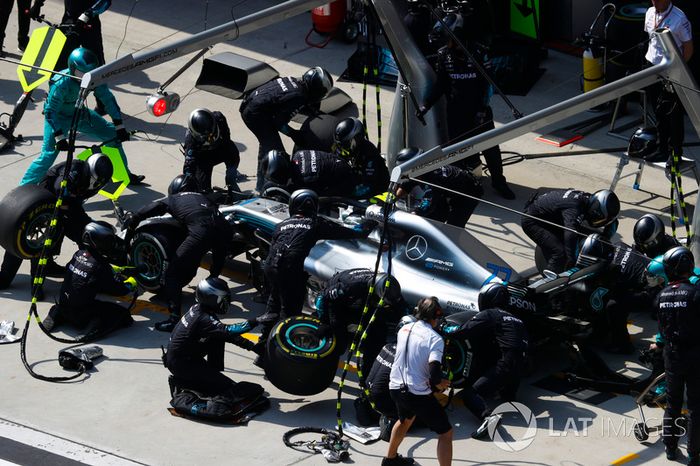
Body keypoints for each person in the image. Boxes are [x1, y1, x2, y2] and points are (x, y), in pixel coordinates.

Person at [254, 189, 374, 365]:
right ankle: (278, 357)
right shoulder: (315, 223)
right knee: (288, 315)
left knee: (273, 307)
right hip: (290, 271)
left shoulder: (282, 224)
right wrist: (367, 226)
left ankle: (261, 349)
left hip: (271, 269)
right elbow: (347, 232)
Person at [20, 47, 143, 186]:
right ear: (72, 68)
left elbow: (108, 100)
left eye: (90, 73)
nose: (86, 77)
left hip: (79, 114)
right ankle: (24, 187)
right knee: (49, 153)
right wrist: (59, 137)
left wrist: (119, 125)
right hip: (58, 118)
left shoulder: (93, 78)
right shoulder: (61, 82)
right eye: (82, 73)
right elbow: (50, 111)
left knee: (112, 135)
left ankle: (122, 175)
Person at [122, 180, 233, 332]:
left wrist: (129, 234)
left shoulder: (172, 200)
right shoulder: (203, 196)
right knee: (217, 261)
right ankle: (212, 293)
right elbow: (220, 197)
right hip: (224, 227)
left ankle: (174, 318)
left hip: (202, 231)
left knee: (172, 273)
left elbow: (143, 212)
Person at [426, 12, 514, 200]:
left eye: (449, 38)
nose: (446, 43)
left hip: (479, 112)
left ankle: (499, 182)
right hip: (456, 113)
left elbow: (489, 84)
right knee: (456, 152)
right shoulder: (443, 55)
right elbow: (441, 84)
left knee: (491, 149)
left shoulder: (478, 53)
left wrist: (482, 108)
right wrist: (425, 105)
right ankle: (461, 185)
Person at [0, 155, 113, 297]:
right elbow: (58, 189)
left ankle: (94, 274)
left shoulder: (94, 180)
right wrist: (66, 197)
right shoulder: (74, 171)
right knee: (35, 241)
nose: (97, 185)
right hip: (43, 208)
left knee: (90, 233)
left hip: (69, 208)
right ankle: (24, 281)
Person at [449, 282, 529, 440]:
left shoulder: (491, 314)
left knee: (468, 395)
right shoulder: (517, 319)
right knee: (503, 392)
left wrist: (443, 329)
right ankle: (508, 394)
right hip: (523, 366)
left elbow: (464, 331)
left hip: (506, 363)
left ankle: (487, 418)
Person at [239, 67, 334, 192]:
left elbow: (280, 98)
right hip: (255, 115)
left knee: (267, 147)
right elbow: (279, 123)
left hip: (250, 105)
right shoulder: (299, 97)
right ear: (316, 89)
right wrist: (293, 134)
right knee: (277, 155)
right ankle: (268, 189)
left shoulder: (294, 81)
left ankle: (260, 185)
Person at [385, 296, 452, 466]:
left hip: (395, 386)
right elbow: (435, 374)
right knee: (446, 432)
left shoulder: (404, 329)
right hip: (416, 393)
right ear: (436, 317)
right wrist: (441, 384)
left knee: (405, 419)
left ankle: (390, 460)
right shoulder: (435, 339)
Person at [165, 277, 258, 396]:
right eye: (223, 299)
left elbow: (226, 335)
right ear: (211, 299)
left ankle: (211, 374)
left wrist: (251, 346)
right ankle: (181, 383)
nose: (226, 302)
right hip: (182, 365)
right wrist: (257, 321)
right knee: (229, 391)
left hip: (186, 357)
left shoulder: (199, 309)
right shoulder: (203, 319)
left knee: (218, 336)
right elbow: (229, 331)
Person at [652, 246, 700, 465]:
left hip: (671, 355)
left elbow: (662, 327)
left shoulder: (660, 296)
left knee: (673, 403)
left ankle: (671, 448)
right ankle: (693, 453)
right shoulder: (696, 292)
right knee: (695, 407)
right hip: (694, 354)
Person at [42, 221, 135, 334]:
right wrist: (131, 284)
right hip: (81, 315)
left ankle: (55, 314)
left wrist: (110, 270)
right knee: (124, 316)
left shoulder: (78, 254)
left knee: (72, 302)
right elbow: (118, 290)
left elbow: (79, 271)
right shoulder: (101, 266)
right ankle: (93, 327)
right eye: (109, 239)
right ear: (101, 241)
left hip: (64, 307)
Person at [315, 270, 409, 375]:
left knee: (378, 338)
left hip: (364, 301)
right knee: (338, 340)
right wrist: (324, 321)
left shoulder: (391, 288)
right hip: (337, 303)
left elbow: (402, 309)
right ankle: (323, 370)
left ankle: (367, 378)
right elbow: (322, 298)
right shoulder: (350, 285)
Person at [521, 188, 620, 273]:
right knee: (560, 253)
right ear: (596, 210)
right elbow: (570, 233)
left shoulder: (590, 199)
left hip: (550, 215)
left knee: (587, 236)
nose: (599, 221)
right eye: (599, 218)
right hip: (532, 221)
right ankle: (549, 281)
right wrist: (571, 261)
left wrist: (605, 240)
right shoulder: (574, 208)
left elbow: (613, 221)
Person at [643, 0, 693, 163]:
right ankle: (661, 148)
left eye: (660, 0)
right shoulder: (650, 12)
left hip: (671, 71)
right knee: (658, 111)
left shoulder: (679, 18)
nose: (656, 3)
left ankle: (676, 153)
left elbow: (688, 47)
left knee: (673, 114)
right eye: (654, 0)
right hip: (652, 68)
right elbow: (651, 39)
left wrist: (678, 70)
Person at [395, 147, 483, 227]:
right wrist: (392, 198)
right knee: (436, 216)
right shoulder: (419, 170)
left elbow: (427, 204)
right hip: (446, 190)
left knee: (453, 226)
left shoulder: (433, 177)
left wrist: (413, 215)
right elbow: (406, 185)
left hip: (469, 193)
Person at [30, 0, 111, 68]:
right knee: (60, 62)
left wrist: (88, 14)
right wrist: (37, 4)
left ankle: (96, 85)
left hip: (90, 23)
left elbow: (105, 1)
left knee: (95, 62)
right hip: (69, 20)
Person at [182, 108, 241, 197]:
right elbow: (189, 165)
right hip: (204, 158)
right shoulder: (190, 140)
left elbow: (227, 139)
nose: (210, 138)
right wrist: (188, 185)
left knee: (233, 154)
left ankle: (231, 182)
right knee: (202, 190)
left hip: (221, 147)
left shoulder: (219, 118)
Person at [333, 117, 390, 198]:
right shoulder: (344, 151)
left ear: (357, 138)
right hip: (355, 183)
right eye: (340, 145)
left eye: (346, 145)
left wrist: (344, 193)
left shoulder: (370, 154)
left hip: (375, 192)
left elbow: (369, 186)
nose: (342, 149)